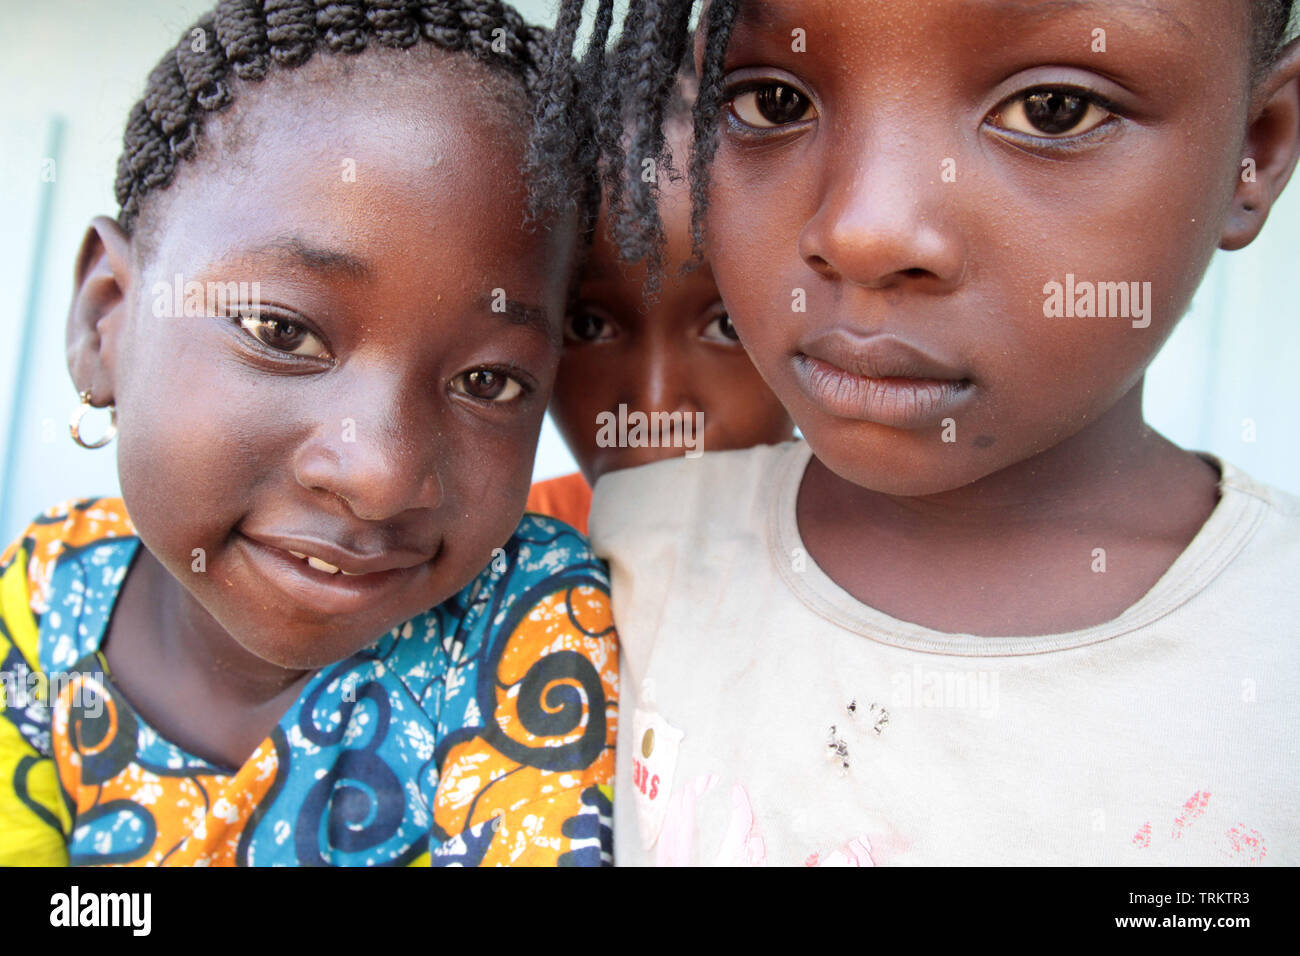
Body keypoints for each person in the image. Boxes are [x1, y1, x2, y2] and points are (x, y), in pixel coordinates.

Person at [533, 0, 1300, 864]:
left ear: (1258, 145)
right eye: (773, 101)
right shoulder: (611, 567)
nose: (865, 231)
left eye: (1053, 108)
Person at [0, 0, 616, 867]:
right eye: (283, 332)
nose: (381, 473)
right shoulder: (35, 603)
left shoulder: (525, 629)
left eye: (488, 381)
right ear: (108, 320)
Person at [527, 58, 792, 535]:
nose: (654, 409)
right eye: (587, 325)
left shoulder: (910, 557)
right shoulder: (503, 572)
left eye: (728, 325)